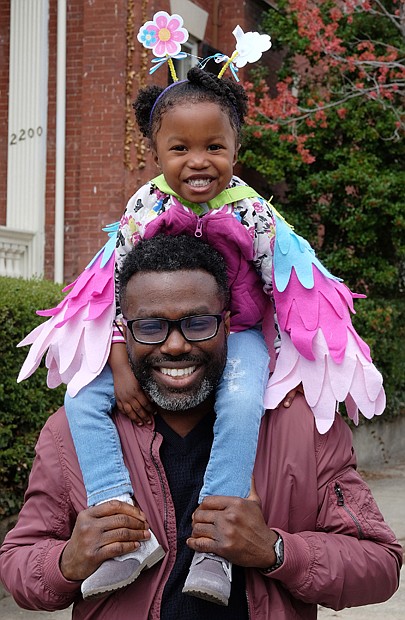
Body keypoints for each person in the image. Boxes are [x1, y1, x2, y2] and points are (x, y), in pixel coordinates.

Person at [15, 64, 386, 604]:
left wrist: (276, 549)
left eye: (214, 146)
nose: (197, 161)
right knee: (79, 396)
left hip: (243, 339)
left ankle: (215, 542)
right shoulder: (144, 208)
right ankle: (118, 515)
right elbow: (117, 288)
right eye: (179, 148)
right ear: (155, 151)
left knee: (241, 399)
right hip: (139, 350)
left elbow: (284, 286)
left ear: (236, 148)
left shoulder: (255, 213)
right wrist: (69, 560)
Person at [0, 234, 402, 620]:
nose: (175, 345)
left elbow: (379, 564)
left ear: (228, 324)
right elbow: (18, 562)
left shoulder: (299, 426)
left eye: (197, 323)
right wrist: (67, 562)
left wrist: (276, 550)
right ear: (124, 331)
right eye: (152, 326)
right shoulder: (70, 433)